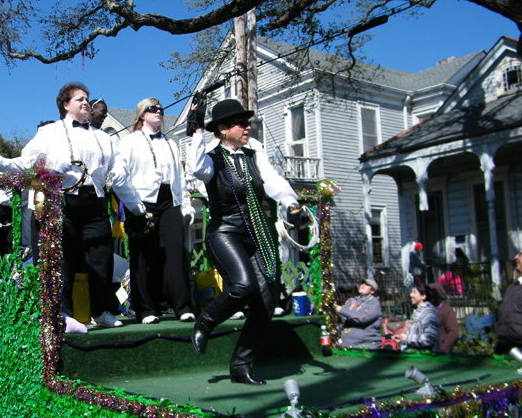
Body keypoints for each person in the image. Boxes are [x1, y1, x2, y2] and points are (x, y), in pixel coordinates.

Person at [0, 82, 130, 329]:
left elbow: (117, 165)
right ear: (65, 105)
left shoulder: (103, 137)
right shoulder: (49, 133)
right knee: (65, 260)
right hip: (63, 201)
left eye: (87, 99)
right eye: (79, 99)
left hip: (95, 201)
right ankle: (65, 315)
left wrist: (119, 176)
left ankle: (102, 310)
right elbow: (20, 164)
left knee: (101, 257)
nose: (86, 102)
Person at [188, 99, 305, 385]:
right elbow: (195, 168)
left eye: (248, 122)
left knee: (268, 300)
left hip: (257, 234)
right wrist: (197, 130)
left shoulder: (254, 153)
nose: (248, 127)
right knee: (244, 286)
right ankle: (205, 321)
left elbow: (273, 180)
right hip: (224, 232)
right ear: (224, 129)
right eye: (241, 123)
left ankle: (241, 366)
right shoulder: (211, 157)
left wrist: (291, 203)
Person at [111, 98, 195, 324]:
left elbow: (181, 178)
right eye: (153, 109)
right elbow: (118, 175)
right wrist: (133, 205)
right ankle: (145, 309)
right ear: (141, 115)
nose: (159, 112)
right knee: (143, 255)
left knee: (175, 252)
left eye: (160, 109)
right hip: (142, 201)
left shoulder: (171, 143)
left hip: (170, 200)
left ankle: (182, 306)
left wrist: (185, 205)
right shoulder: (129, 142)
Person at [334, 279, 383, 350]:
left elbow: (361, 318)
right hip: (347, 345)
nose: (362, 285)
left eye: (367, 285)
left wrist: (340, 309)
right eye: (362, 283)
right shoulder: (351, 301)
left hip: (366, 346)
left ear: (372, 291)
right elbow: (342, 316)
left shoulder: (374, 303)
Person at [394, 283, 441, 352]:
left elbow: (429, 339)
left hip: (426, 360)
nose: (411, 295)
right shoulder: (417, 313)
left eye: (414, 292)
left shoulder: (430, 314)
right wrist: (402, 337)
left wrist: (407, 338)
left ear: (423, 296)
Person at [428, 282, 459, 352]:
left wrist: (443, 349)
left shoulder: (446, 311)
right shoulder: (426, 309)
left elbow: (453, 333)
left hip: (440, 351)